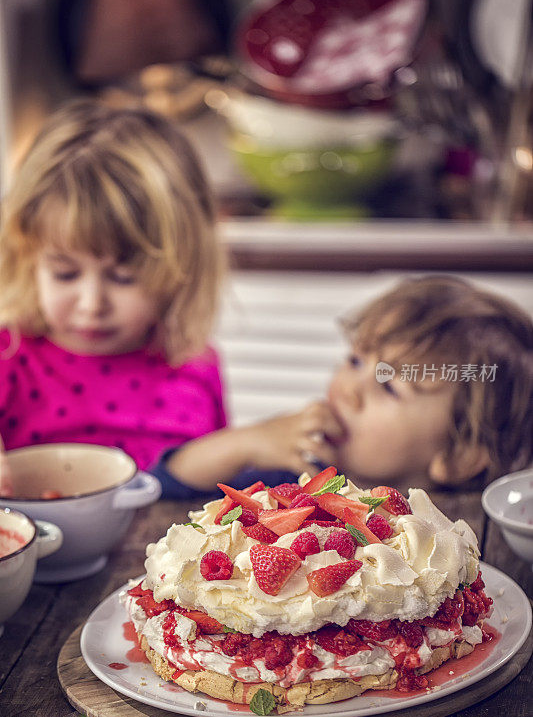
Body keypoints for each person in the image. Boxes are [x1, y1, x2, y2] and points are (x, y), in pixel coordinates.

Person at [0, 99, 226, 497]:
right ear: (27, 255)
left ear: (182, 268)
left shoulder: (195, 365)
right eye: (64, 273)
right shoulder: (9, 354)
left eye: (124, 277)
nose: (92, 304)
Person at [155, 275, 533, 498]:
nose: (349, 389)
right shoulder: (295, 473)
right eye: (355, 361)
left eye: (389, 388)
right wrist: (246, 442)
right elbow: (164, 486)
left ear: (459, 455)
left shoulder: (462, 546)